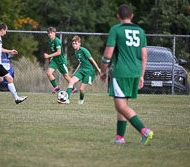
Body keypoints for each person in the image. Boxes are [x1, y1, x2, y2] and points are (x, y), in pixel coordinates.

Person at [100, 4, 153, 144]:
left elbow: (108, 54)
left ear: (118, 16)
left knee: (120, 106)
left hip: (122, 71)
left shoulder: (116, 30)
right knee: (123, 103)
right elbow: (145, 56)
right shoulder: (141, 31)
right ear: (132, 16)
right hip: (135, 71)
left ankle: (144, 131)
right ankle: (120, 137)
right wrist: (141, 75)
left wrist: (102, 70)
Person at [58, 35, 100, 104]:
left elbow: (91, 59)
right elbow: (80, 63)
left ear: (79, 44)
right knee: (71, 81)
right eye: (73, 43)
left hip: (88, 71)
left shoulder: (83, 50)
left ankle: (81, 100)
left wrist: (98, 69)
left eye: (76, 43)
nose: (74, 45)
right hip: (81, 70)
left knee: (81, 89)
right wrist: (75, 71)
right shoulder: (76, 52)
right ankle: (67, 99)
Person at [44, 27, 76, 94]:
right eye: (49, 33)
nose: (50, 34)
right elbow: (54, 51)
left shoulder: (57, 41)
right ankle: (56, 87)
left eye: (51, 33)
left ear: (54, 33)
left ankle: (73, 88)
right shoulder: (50, 41)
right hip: (55, 61)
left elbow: (59, 52)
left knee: (66, 76)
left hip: (61, 61)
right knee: (48, 73)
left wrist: (49, 56)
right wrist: (52, 57)